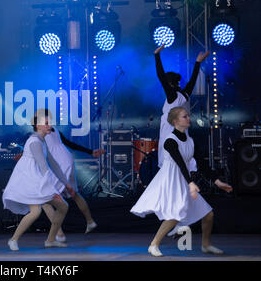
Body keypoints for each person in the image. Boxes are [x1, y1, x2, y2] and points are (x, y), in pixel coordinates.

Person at [130, 107, 233, 257]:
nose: (188, 118)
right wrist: (191, 183)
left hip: (184, 180)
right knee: (175, 214)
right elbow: (180, 163)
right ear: (175, 121)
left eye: (188, 116)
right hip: (171, 181)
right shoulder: (170, 141)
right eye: (185, 116)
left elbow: (203, 164)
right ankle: (153, 245)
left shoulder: (191, 141)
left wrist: (217, 181)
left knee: (208, 215)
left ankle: (206, 245)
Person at [2, 109, 75, 251]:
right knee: (35, 212)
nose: (50, 126)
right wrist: (54, 190)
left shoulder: (42, 140)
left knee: (63, 206)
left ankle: (51, 240)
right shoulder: (35, 142)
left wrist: (66, 184)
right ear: (39, 126)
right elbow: (43, 167)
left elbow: (53, 164)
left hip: (38, 179)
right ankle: (13, 239)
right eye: (46, 123)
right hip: (29, 181)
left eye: (50, 123)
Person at [41, 110, 105, 242]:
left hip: (59, 165)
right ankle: (90, 221)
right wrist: (91, 152)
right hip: (68, 160)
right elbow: (70, 144)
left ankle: (59, 233)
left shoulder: (41, 134)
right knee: (74, 193)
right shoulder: (55, 131)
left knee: (45, 201)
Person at [154, 44, 210, 169]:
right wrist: (197, 63)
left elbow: (161, 76)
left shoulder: (173, 96)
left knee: (170, 164)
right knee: (180, 163)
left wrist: (156, 56)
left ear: (169, 84)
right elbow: (192, 82)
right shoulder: (184, 95)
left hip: (170, 132)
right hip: (180, 131)